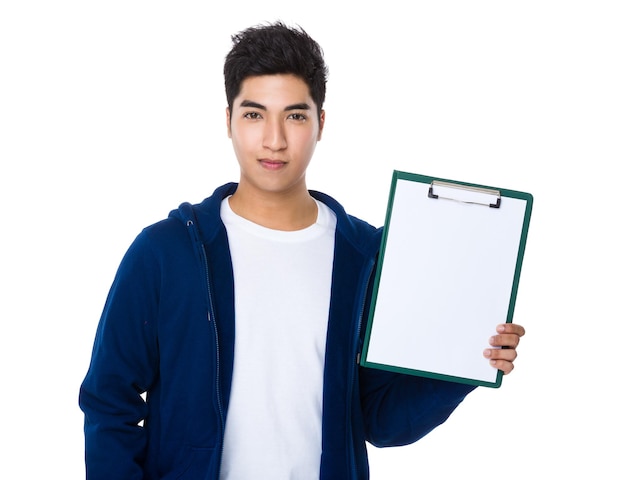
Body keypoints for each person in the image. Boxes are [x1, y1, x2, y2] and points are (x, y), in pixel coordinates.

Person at [79, 21, 525, 479]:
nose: (274, 139)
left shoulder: (365, 258)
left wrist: (467, 362)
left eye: (295, 115)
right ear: (228, 120)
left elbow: (381, 421)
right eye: (254, 114)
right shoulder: (165, 253)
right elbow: (109, 402)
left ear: (320, 123)